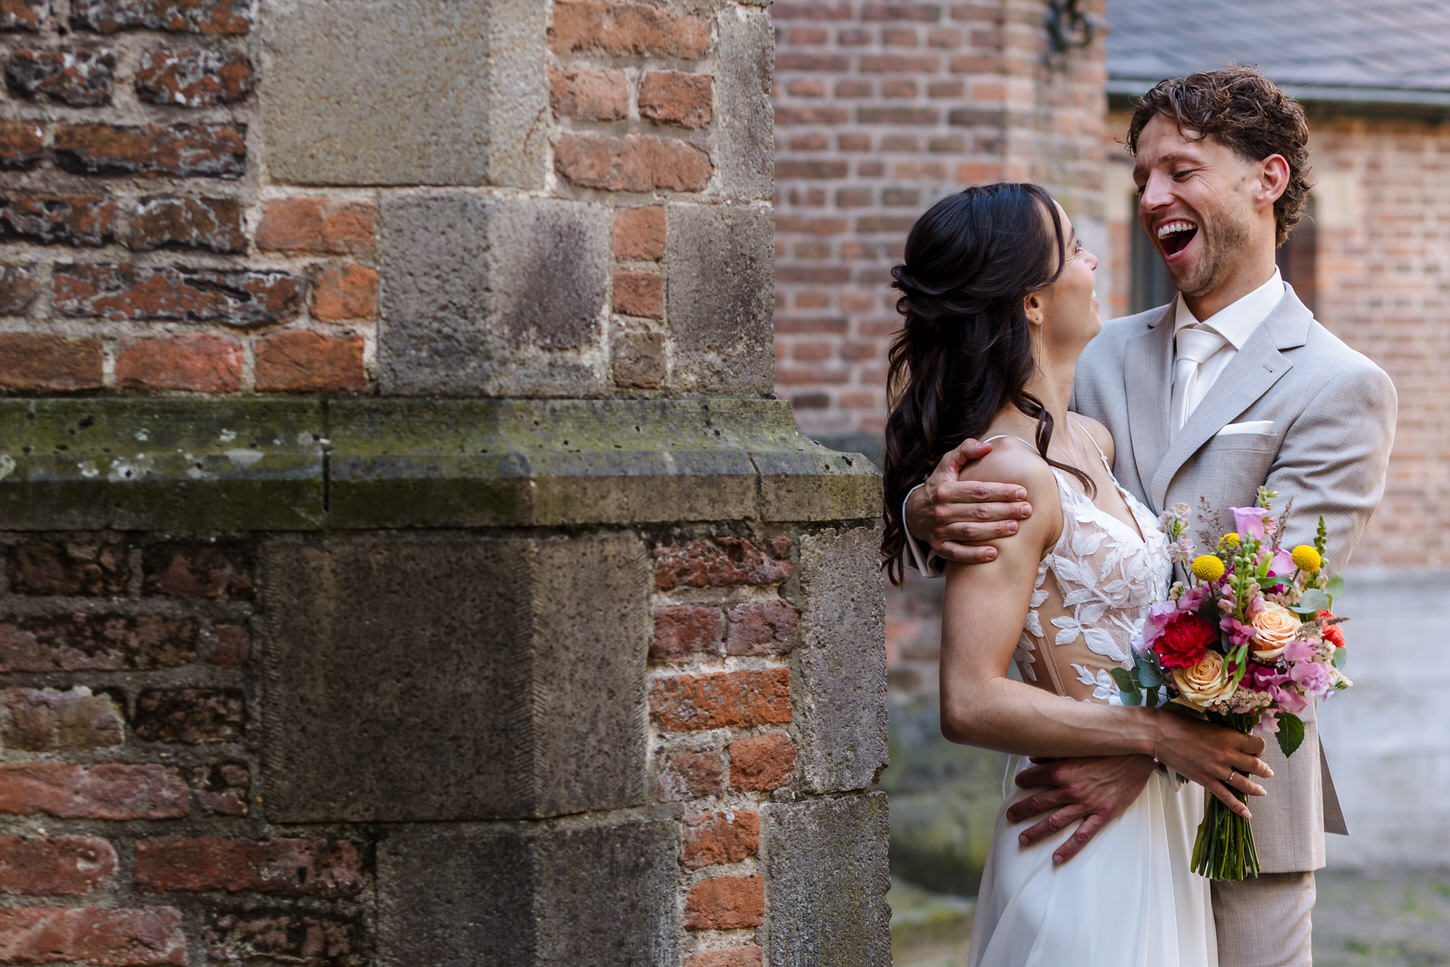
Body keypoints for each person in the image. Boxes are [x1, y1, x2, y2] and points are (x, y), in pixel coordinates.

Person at [903, 67, 1397, 967]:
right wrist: (925, 505)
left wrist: (1143, 750)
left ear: (1268, 179)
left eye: (1180, 170)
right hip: (1089, 820)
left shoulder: (1341, 385)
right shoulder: (1092, 351)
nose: (1150, 197)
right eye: (1141, 177)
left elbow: (1269, 606)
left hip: (1242, 805)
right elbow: (1017, 472)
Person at [882, 181, 1273, 966]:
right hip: (1076, 833)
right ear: (1031, 302)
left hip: (1154, 819)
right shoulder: (1007, 473)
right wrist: (1157, 734)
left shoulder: (1095, 439)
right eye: (1075, 246)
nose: (1094, 261)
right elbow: (969, 698)